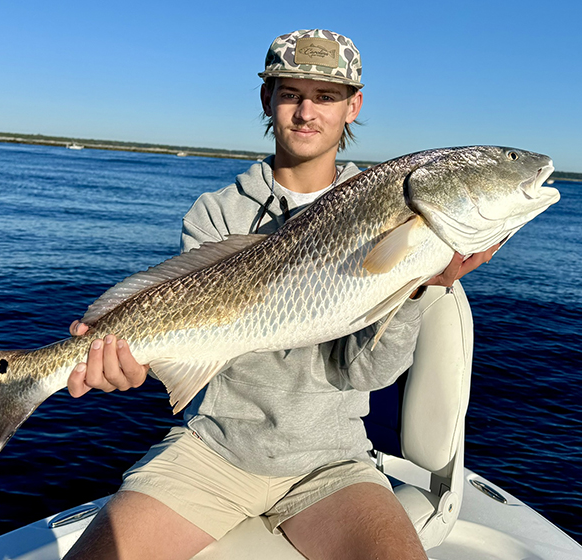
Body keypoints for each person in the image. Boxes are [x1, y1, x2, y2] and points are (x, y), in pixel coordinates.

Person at [63, 29, 498, 560]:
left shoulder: (390, 209)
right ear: (267, 99)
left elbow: (362, 374)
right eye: (291, 93)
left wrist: (422, 288)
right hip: (214, 451)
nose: (305, 111)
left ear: (352, 106)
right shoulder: (217, 213)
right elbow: (194, 341)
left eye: (326, 96)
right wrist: (133, 363)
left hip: (332, 464)